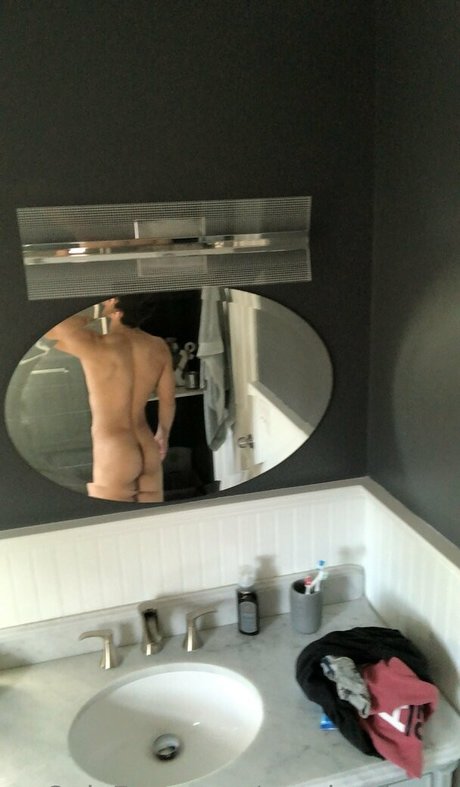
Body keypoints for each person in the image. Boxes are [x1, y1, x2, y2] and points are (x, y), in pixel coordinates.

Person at [46, 296, 176, 503]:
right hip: (147, 445)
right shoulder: (158, 346)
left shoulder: (95, 344)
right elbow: (168, 400)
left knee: (112, 519)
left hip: (115, 448)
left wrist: (99, 311)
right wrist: (163, 434)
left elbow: (51, 330)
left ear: (114, 305)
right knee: (153, 518)